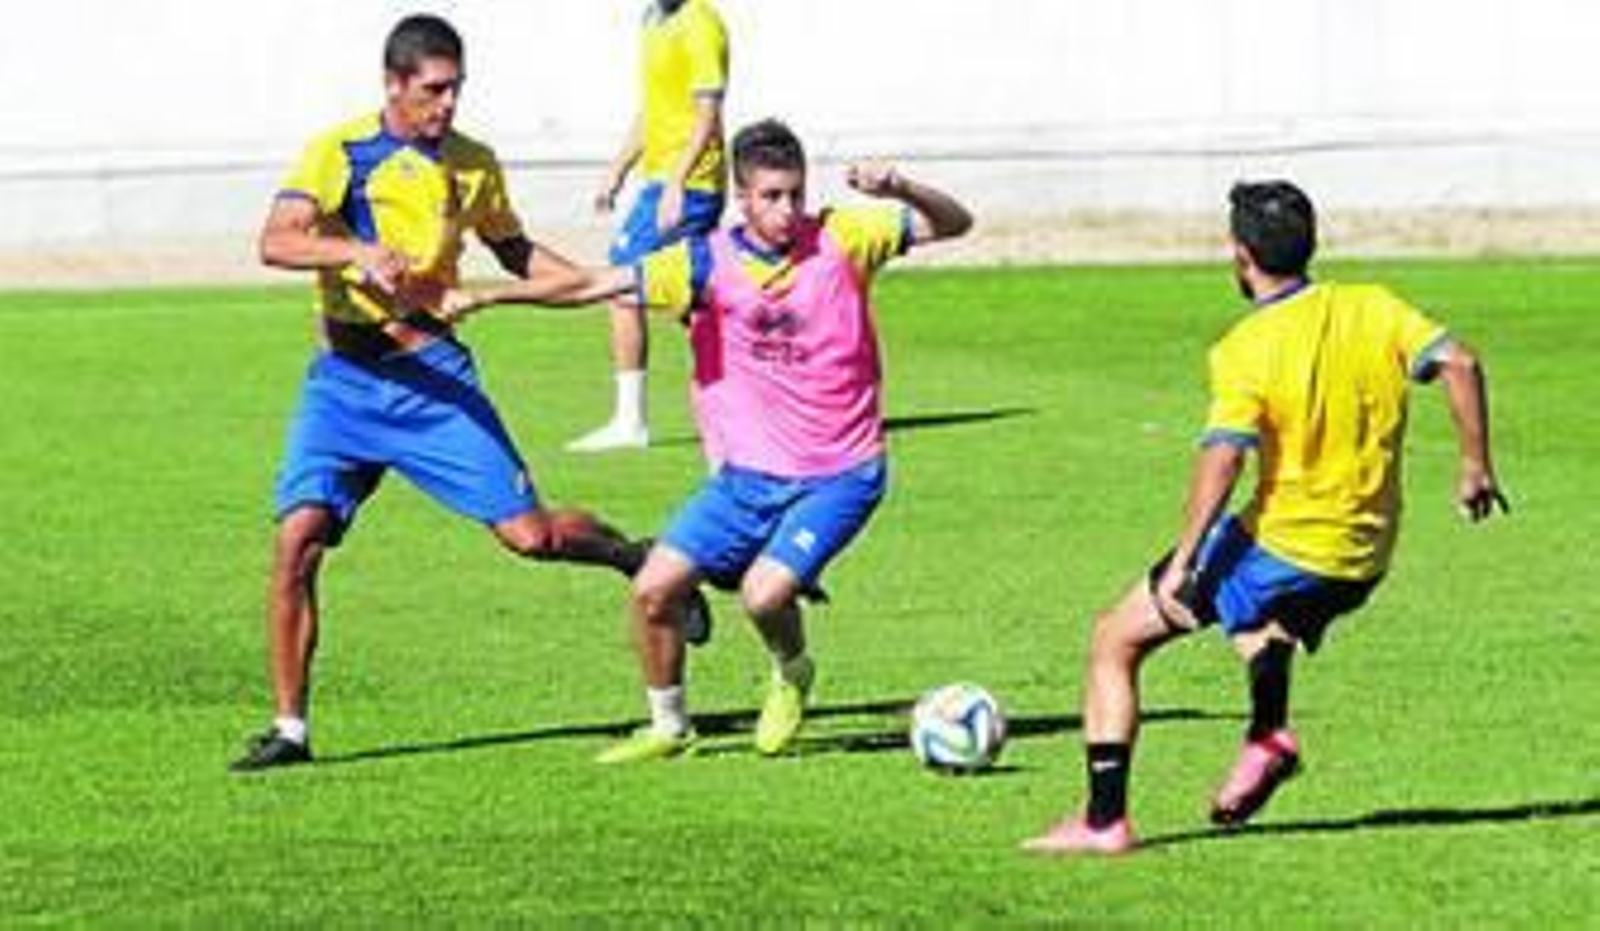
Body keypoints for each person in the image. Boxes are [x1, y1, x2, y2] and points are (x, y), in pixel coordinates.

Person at [230, 14, 707, 773]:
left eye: (456, 88)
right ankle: (290, 729)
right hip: (343, 387)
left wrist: (600, 283)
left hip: (433, 384)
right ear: (394, 84)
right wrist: (355, 250)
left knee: (532, 538)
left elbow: (514, 252)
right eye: (433, 89)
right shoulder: (340, 151)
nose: (448, 103)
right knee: (297, 542)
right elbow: (276, 240)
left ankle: (633, 556)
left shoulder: (473, 163)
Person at [445, 119, 974, 763]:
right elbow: (591, 284)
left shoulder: (845, 236)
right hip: (746, 479)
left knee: (764, 594)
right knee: (653, 589)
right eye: (771, 196)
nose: (786, 210)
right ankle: (669, 726)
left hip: (840, 472)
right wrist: (492, 297)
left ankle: (792, 671)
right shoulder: (703, 262)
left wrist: (901, 187)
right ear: (742, 198)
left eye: (795, 194)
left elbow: (956, 223)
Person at [1023, 180, 1509, 854]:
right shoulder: (1374, 305)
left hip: (1287, 546)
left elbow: (1224, 455)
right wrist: (1475, 465)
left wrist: (1186, 559)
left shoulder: (1245, 347)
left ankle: (1104, 820)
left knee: (1115, 639)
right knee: (1259, 624)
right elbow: (1460, 360)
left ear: (1241, 255)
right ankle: (1267, 737)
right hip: (1365, 554)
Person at [568, 0, 731, 453]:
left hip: (689, 185)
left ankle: (630, 421)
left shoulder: (700, 24)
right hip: (663, 181)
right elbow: (654, 109)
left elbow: (707, 114)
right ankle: (760, 386)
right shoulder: (653, 20)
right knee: (693, 295)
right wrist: (618, 169)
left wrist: (677, 182)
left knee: (623, 282)